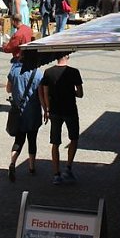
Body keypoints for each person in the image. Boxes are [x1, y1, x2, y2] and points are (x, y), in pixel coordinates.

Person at [39, 54, 84, 185]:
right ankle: (68, 168)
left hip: (54, 111)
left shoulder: (48, 72)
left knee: (55, 142)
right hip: (70, 109)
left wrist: (47, 109)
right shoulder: (74, 72)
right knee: (74, 138)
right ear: (67, 56)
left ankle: (56, 174)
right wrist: (72, 92)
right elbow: (80, 94)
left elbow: (45, 93)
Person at [6, 61, 43, 182]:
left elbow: (8, 89)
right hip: (33, 112)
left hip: (18, 112)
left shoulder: (14, 72)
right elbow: (41, 95)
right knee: (32, 140)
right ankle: (32, 167)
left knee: (19, 140)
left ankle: (12, 163)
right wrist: (46, 109)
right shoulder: (38, 74)